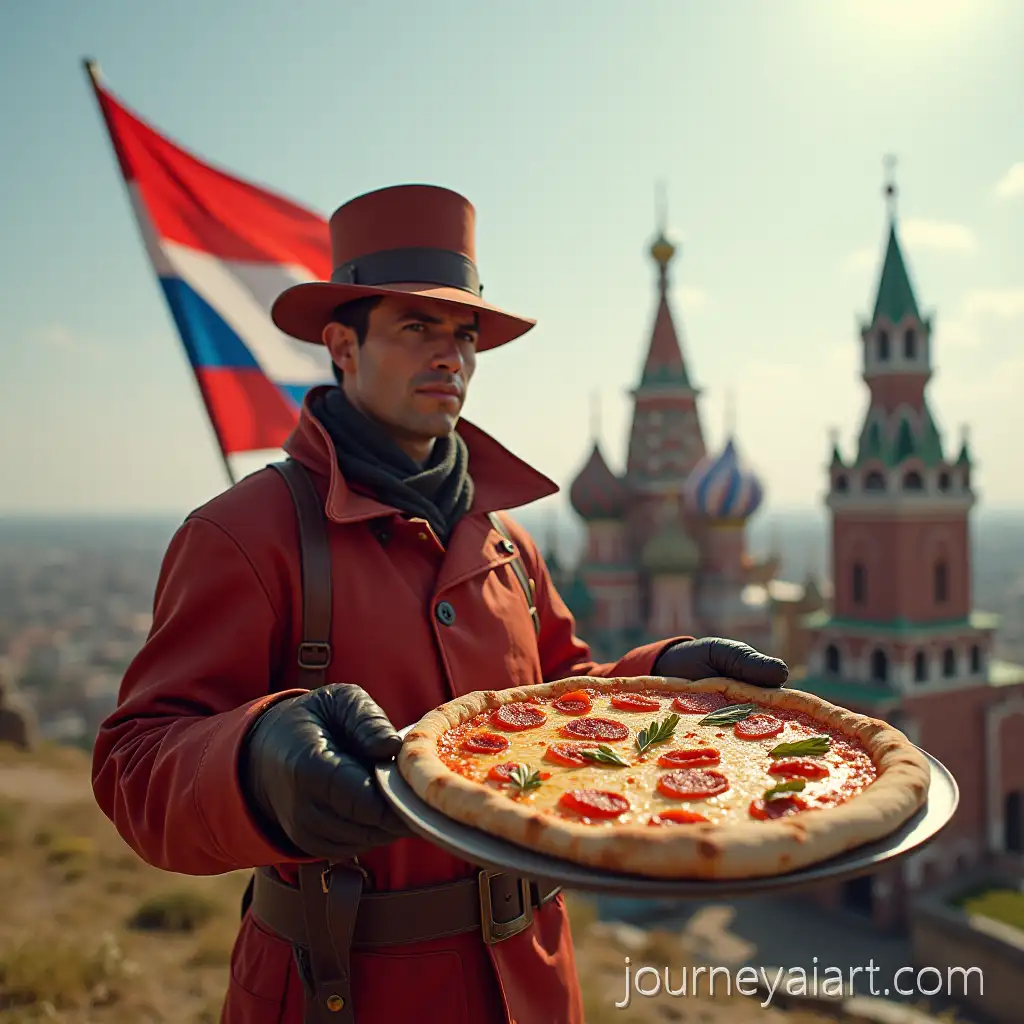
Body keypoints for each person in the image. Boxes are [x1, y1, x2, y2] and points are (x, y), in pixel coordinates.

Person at [91, 184, 789, 1024]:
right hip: (343, 987)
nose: (449, 356)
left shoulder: (504, 543)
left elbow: (567, 700)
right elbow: (135, 764)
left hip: (530, 978)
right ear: (341, 346)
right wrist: (252, 760)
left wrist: (662, 674)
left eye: (464, 334)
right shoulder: (250, 533)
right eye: (415, 328)